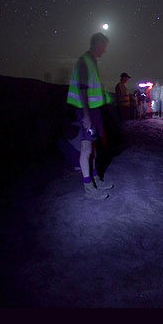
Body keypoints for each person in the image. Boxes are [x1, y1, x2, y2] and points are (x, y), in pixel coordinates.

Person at [66, 32, 115, 200]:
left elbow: (93, 89)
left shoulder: (92, 62)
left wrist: (106, 99)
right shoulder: (84, 61)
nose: (104, 51)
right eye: (103, 47)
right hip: (86, 112)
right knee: (86, 148)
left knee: (93, 148)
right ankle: (88, 186)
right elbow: (82, 90)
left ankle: (94, 180)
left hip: (93, 111)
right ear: (96, 45)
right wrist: (86, 116)